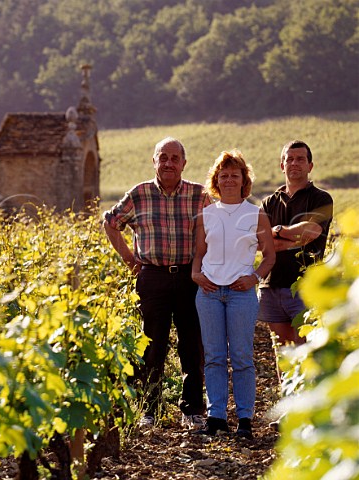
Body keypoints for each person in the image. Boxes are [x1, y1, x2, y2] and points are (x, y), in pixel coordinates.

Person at [103, 137, 210, 429]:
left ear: (184, 164)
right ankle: (149, 410)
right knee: (152, 345)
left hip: (190, 276)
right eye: (163, 157)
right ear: (154, 161)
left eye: (175, 158)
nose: (169, 163)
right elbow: (110, 223)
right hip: (152, 277)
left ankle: (192, 411)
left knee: (192, 344)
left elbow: (215, 232)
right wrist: (129, 259)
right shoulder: (139, 194)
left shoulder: (199, 195)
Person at [191, 149, 275, 440]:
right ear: (216, 180)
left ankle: (244, 419)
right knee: (213, 357)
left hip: (241, 295)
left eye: (234, 175)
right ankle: (216, 417)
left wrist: (253, 277)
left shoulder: (256, 214)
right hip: (209, 293)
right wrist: (195, 274)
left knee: (241, 357)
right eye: (223, 175)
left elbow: (269, 257)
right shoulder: (206, 215)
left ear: (243, 180)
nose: (228, 179)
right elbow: (200, 254)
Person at [258, 140, 333, 346]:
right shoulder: (268, 202)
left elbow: (312, 231)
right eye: (289, 159)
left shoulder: (321, 198)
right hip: (271, 285)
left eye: (300, 159)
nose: (294, 163)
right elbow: (260, 243)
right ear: (282, 165)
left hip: (305, 286)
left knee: (306, 351)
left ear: (310, 165)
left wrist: (279, 231)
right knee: (283, 355)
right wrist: (295, 238)